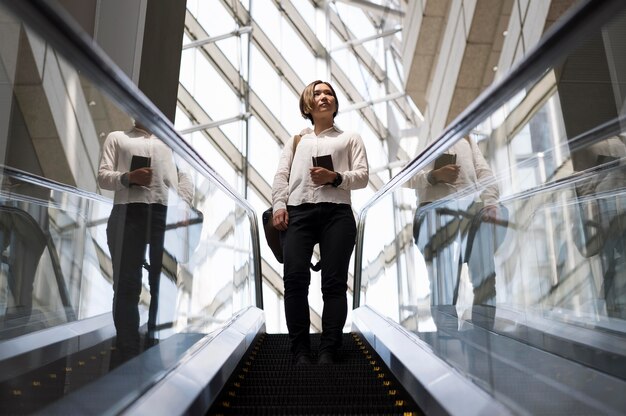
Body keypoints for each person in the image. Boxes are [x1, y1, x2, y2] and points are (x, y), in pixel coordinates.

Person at [271, 80, 369, 365]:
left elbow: (362, 176)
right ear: (307, 104)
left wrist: (334, 177)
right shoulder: (297, 140)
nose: (324, 97)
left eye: (329, 93)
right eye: (317, 93)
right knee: (295, 282)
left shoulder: (349, 137)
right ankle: (300, 350)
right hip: (298, 211)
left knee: (334, 284)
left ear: (335, 103)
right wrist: (279, 205)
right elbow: (281, 176)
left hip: (337, 212)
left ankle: (329, 349)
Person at [97, 121, 193, 359]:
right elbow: (102, 176)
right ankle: (128, 347)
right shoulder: (118, 136)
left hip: (164, 213)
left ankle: (156, 343)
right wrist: (129, 177)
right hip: (128, 211)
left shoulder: (171, 143)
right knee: (127, 284)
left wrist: (183, 206)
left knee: (164, 284)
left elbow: (185, 178)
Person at [410, 136, 505, 327]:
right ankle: (447, 340)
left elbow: (484, 172)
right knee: (444, 280)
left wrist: (491, 201)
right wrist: (435, 176)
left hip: (472, 211)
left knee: (485, 276)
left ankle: (483, 334)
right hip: (435, 211)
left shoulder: (467, 137)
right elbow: (407, 177)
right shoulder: (429, 134)